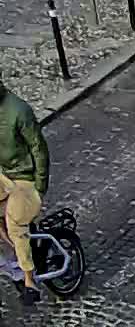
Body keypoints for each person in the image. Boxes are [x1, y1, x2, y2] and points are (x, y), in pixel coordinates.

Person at [0, 81, 48, 305]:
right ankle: (15, 264)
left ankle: (30, 281)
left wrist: (39, 186)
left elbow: (38, 147)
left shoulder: (18, 110)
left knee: (15, 224)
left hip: (23, 176)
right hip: (3, 174)